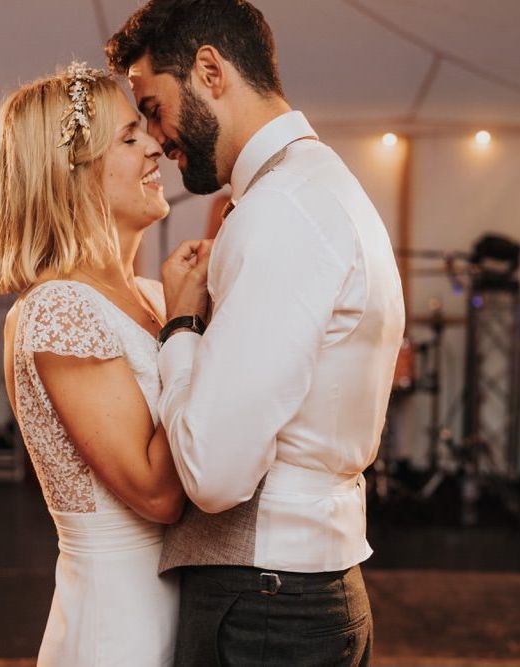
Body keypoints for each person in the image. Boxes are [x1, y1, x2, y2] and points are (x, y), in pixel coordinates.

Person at [107, 1, 405, 665]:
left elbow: (212, 473)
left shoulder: (280, 211)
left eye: (153, 107)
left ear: (210, 70)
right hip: (299, 589)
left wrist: (182, 327)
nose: (156, 138)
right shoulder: (314, 188)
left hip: (264, 601)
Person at [0, 63, 183, 665]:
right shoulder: (58, 307)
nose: (156, 147)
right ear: (72, 175)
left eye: (147, 132)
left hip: (183, 602)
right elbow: (157, 495)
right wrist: (192, 327)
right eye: (129, 138)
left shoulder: (156, 295)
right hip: (123, 620)